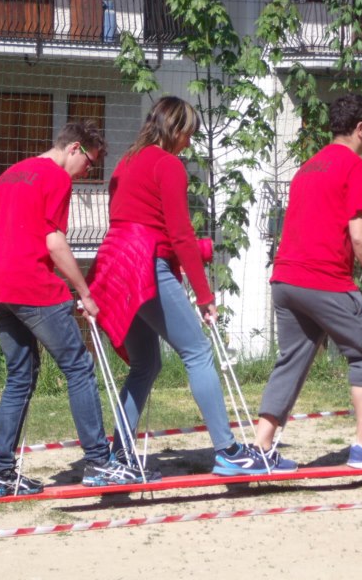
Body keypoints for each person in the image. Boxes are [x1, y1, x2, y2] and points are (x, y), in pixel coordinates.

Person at [86, 96, 270, 481]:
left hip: (114, 263)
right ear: (176, 129)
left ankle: (118, 455)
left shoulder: (126, 161)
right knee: (198, 352)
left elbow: (139, 223)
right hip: (142, 265)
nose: (190, 142)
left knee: (146, 364)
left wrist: (185, 253)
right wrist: (205, 295)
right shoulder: (168, 165)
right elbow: (179, 233)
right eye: (189, 134)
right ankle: (227, 451)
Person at [0, 120, 143, 497]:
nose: (88, 172)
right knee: (79, 368)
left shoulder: (8, 176)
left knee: (19, 377)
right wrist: (84, 292)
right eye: (90, 163)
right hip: (32, 287)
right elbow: (53, 241)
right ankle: (100, 462)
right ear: (74, 149)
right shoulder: (55, 178)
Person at [253, 93, 362, 471]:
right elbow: (360, 236)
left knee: (291, 359)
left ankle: (260, 447)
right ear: (360, 128)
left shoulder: (307, 168)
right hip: (323, 280)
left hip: (285, 279)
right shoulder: (357, 168)